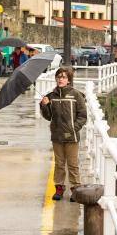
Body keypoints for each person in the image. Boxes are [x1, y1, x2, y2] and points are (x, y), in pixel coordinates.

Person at [40, 67, 87, 202]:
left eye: (64, 77)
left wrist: (73, 128)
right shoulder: (51, 96)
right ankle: (59, 188)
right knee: (59, 163)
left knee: (72, 164)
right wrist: (44, 105)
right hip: (57, 136)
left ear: (69, 80)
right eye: (59, 77)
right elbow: (48, 117)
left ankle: (75, 189)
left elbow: (83, 116)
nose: (60, 79)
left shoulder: (76, 95)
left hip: (71, 136)